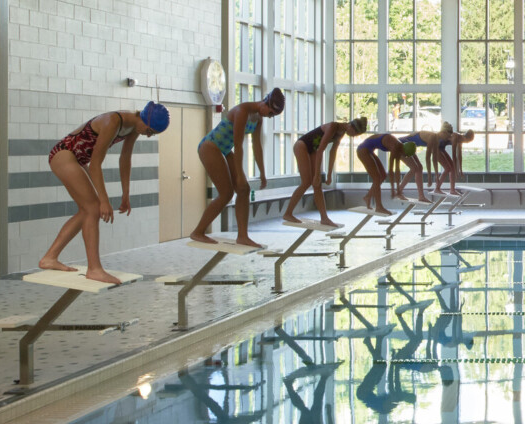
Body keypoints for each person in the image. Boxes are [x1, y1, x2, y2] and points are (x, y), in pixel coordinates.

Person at [38, 102, 169, 285]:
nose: (148, 136)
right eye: (149, 131)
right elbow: (95, 165)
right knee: (93, 208)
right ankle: (94, 269)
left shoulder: (134, 128)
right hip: (65, 155)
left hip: (76, 159)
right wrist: (104, 200)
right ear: (143, 118)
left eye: (152, 134)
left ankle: (50, 258)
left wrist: (126, 194)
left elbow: (125, 159)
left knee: (86, 211)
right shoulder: (113, 121)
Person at [189, 88, 286, 248]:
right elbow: (239, 145)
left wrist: (262, 173)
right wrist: (240, 174)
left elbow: (257, 146)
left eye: (271, 116)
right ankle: (198, 232)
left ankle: (242, 236)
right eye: (270, 113)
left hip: (224, 150)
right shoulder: (242, 111)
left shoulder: (258, 119)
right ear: (265, 102)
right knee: (226, 193)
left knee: (244, 190)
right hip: (210, 147)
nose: (268, 117)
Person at [282, 116, 367, 227]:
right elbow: (321, 149)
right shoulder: (333, 126)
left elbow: (333, 152)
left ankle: (324, 218)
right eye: (355, 134)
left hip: (313, 149)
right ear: (351, 127)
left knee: (317, 185)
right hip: (302, 145)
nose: (353, 137)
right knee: (307, 182)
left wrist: (329, 174)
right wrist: (317, 174)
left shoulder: (341, 132)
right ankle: (288, 213)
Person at [356, 133, 418, 215]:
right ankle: (379, 207)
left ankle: (368, 196)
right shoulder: (395, 147)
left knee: (383, 175)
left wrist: (398, 190)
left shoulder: (399, 147)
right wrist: (392, 189)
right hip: (362, 150)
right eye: (405, 155)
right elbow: (391, 170)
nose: (404, 156)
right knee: (377, 178)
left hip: (369, 150)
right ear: (404, 150)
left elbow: (397, 170)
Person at [426, 123, 475, 196]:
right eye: (468, 142)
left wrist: (460, 170)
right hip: (435, 147)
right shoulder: (455, 137)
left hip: (441, 148)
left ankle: (452, 190)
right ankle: (437, 188)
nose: (467, 143)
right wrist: (455, 170)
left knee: (451, 168)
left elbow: (459, 156)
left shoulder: (460, 140)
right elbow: (454, 155)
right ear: (467, 138)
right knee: (448, 168)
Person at [390, 132, 432, 202]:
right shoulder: (433, 138)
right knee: (414, 168)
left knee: (419, 167)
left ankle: (421, 196)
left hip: (409, 146)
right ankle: (398, 192)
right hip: (401, 146)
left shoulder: (433, 138)